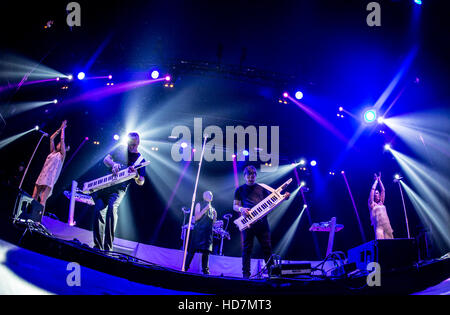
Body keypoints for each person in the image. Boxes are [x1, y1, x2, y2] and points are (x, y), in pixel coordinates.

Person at [92, 132, 146, 251]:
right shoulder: (120, 149)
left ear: (138, 143)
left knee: (112, 208)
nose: (131, 147)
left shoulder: (140, 159)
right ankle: (97, 247)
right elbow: (106, 159)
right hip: (105, 186)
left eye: (134, 144)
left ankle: (108, 248)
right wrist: (113, 164)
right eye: (130, 144)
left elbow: (141, 181)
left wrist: (136, 175)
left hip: (119, 189)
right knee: (98, 211)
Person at [233, 165, 289, 278]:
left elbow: (274, 199)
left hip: (262, 223)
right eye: (249, 176)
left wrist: (284, 197)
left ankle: (272, 274)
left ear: (255, 176)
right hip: (247, 223)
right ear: (244, 176)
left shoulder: (262, 187)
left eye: (253, 176)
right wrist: (241, 209)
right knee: (246, 249)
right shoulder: (240, 190)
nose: (251, 178)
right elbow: (235, 206)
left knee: (267, 248)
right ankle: (246, 275)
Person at [32, 120, 68, 208]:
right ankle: (29, 215)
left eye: (61, 144)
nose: (59, 144)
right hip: (42, 176)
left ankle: (37, 220)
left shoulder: (62, 155)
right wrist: (59, 129)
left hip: (50, 179)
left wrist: (63, 129)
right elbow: (51, 138)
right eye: (59, 143)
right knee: (34, 197)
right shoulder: (52, 152)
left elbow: (62, 140)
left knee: (43, 200)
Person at [184, 191, 217, 275]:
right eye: (208, 194)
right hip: (199, 231)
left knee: (206, 253)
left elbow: (212, 223)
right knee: (192, 251)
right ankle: (185, 268)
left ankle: (205, 271)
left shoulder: (213, 208)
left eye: (211, 195)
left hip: (208, 233)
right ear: (204, 196)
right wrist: (205, 209)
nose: (210, 196)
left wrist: (215, 217)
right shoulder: (199, 204)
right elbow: (196, 218)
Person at [368, 172, 394, 240]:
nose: (377, 194)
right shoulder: (372, 204)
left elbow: (383, 190)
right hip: (379, 228)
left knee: (391, 242)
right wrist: (376, 181)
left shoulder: (381, 203)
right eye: (376, 193)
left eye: (378, 193)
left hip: (387, 226)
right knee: (381, 243)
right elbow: (372, 190)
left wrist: (380, 180)